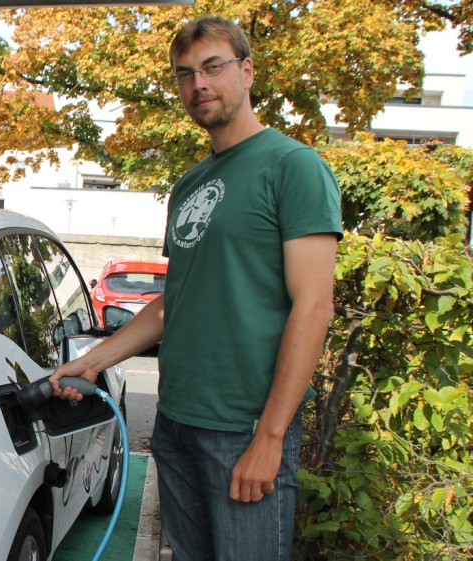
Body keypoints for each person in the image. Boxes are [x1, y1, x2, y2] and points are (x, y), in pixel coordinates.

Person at [49, 14, 343, 561]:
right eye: (185, 74)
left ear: (247, 71)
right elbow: (174, 303)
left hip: (243, 429)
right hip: (176, 421)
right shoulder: (190, 184)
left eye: (213, 67)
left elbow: (314, 307)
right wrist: (93, 360)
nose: (199, 85)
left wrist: (271, 437)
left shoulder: (293, 167)